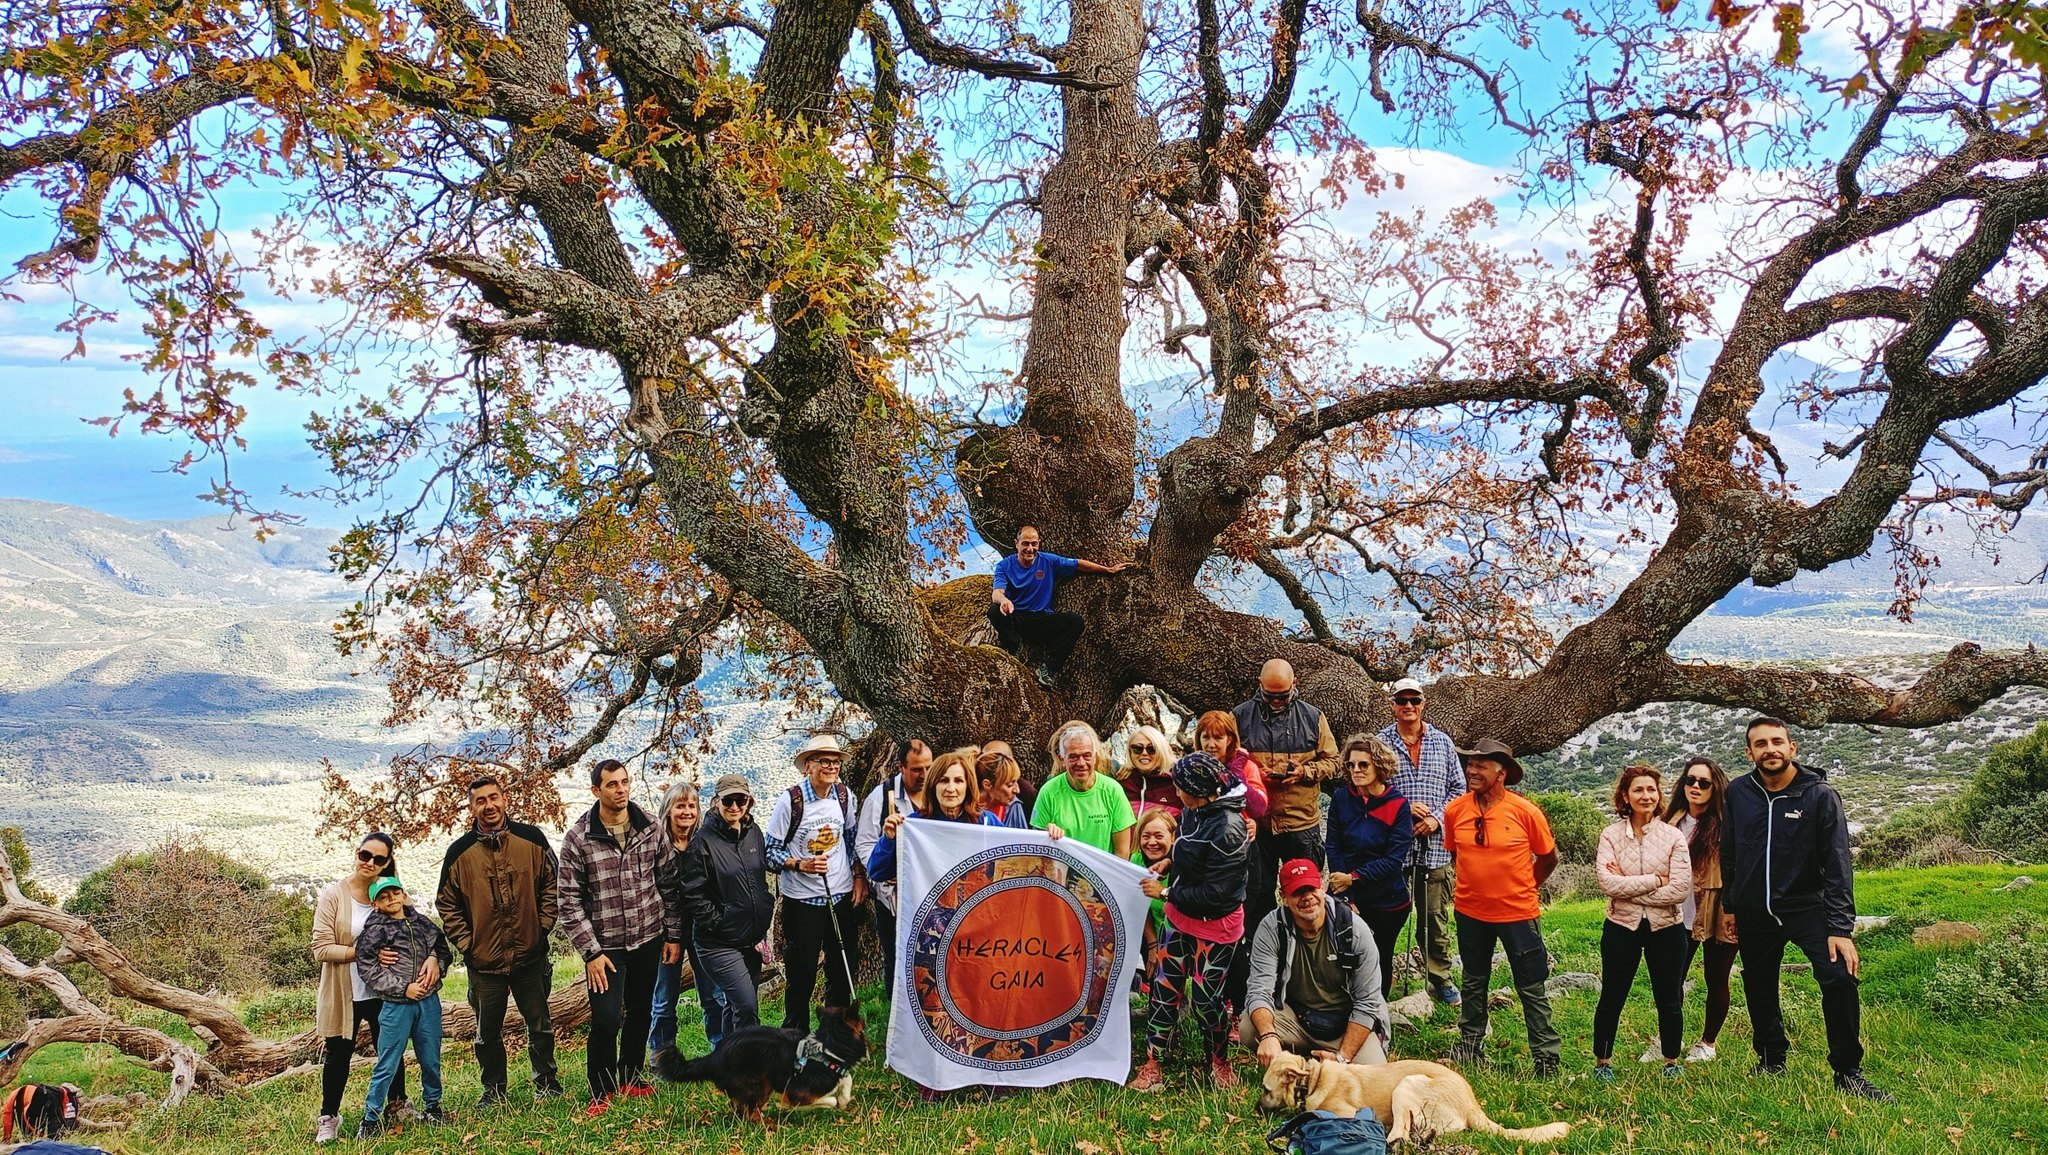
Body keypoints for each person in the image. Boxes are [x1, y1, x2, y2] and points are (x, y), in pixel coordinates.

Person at [1724, 717, 1891, 1100]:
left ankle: (1848, 1070)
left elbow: (1837, 863)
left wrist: (1840, 928)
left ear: (1792, 747)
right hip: (1754, 909)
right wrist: (1731, 905)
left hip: (1806, 906)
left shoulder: (1819, 795)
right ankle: (1770, 1059)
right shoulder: (1739, 793)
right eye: (1761, 744)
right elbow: (1730, 850)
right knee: (1759, 983)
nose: (1770, 749)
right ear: (1750, 753)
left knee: (1838, 977)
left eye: (1777, 742)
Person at [435, 776, 560, 1108]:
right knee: (487, 1033)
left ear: (504, 800)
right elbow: (446, 903)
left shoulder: (531, 840)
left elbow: (553, 885)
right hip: (485, 962)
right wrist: (469, 944)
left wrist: (541, 927)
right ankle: (493, 1091)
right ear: (471, 807)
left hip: (530, 955)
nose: (489, 806)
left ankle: (547, 1083)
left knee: (540, 1025)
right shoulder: (459, 853)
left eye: (494, 798)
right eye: (481, 800)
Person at [1129, 753, 1251, 1092]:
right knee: (1163, 992)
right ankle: (1154, 1063)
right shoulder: (1191, 814)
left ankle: (1220, 1061)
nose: (1175, 792)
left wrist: (1165, 892)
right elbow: (1187, 849)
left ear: (1196, 789)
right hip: (1178, 922)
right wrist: (1168, 861)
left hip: (1215, 929)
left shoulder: (1229, 830)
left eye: (1179, 787)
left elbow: (1217, 894)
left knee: (1206, 1001)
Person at [1441, 739, 1560, 1075]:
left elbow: (1549, 857)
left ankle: (1546, 1057)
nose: (1472, 771)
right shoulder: (1456, 811)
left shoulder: (1525, 812)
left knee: (1531, 985)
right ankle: (1469, 1046)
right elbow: (1456, 854)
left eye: (1481, 766)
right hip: (1469, 911)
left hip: (1518, 914)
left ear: (1501, 773)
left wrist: (1525, 886)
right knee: (1473, 981)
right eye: (1470, 764)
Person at [557, 757, 667, 1115]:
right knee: (606, 1019)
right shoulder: (579, 838)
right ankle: (600, 1090)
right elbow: (568, 901)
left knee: (640, 1011)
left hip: (649, 937)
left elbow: (669, 884)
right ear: (596, 790)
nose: (621, 790)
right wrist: (590, 952)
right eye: (612, 784)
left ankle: (632, 1077)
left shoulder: (650, 826)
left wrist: (673, 936)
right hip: (606, 949)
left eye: (624, 782)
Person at [1229, 660, 1337, 1015]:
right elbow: (1228, 761)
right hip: (1256, 826)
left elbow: (1334, 762)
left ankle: (1307, 978)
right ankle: (1258, 982)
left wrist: (1305, 771)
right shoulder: (1240, 716)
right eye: (1270, 695)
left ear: (1295, 685)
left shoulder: (1313, 717)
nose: (1276, 702)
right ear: (1259, 685)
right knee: (1255, 899)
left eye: (1283, 696)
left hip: (1300, 824)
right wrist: (1256, 774)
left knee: (1305, 899)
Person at [311, 833, 423, 1143]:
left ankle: (398, 1105)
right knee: (338, 1055)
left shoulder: (391, 892)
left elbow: (414, 933)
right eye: (365, 855)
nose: (370, 863)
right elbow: (321, 948)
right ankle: (329, 1117)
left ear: (387, 863)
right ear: (356, 854)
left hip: (384, 990)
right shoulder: (334, 895)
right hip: (345, 992)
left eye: (378, 859)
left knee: (391, 1049)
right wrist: (365, 952)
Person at [1590, 764, 1692, 1081]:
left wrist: (1630, 888)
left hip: (1667, 928)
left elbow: (1679, 889)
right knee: (1612, 996)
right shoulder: (1610, 835)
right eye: (1638, 789)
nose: (1646, 795)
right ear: (1625, 795)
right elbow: (1607, 883)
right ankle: (1603, 1064)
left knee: (1670, 998)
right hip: (1622, 927)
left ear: (1659, 794)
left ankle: (1671, 1062)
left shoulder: (1672, 836)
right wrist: (1653, 880)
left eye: (1651, 789)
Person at [1241, 859, 1391, 1069]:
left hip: (1346, 1023)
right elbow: (1259, 990)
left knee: (1374, 1069)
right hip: (1298, 1018)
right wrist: (1268, 1035)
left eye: (1312, 888)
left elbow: (1367, 1003)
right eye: (1297, 892)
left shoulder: (1355, 930)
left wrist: (1342, 1059)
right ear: (1283, 897)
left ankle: (1327, 1058)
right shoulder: (1271, 928)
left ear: (1322, 888)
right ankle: (1302, 1058)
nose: (1307, 898)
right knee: (1249, 1029)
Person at [765, 734, 869, 1034]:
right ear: (807, 766)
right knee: (802, 974)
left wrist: (858, 877)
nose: (831, 766)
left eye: (835, 761)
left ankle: (835, 1034)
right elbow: (770, 854)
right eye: (824, 760)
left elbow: (852, 841)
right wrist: (800, 864)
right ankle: (794, 1035)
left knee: (841, 969)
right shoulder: (791, 802)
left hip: (839, 897)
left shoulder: (844, 796)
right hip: (802, 901)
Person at [1378, 677, 1464, 1005]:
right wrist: (1402, 807)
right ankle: (1378, 979)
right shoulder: (1380, 744)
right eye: (1402, 701)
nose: (1409, 707)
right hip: (1392, 849)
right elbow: (1371, 789)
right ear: (1393, 705)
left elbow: (1458, 789)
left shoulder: (1442, 742)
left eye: (1415, 700)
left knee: (1434, 917)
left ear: (1423, 703)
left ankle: (1439, 977)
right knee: (1385, 918)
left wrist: (1435, 819)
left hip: (1436, 847)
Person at [1646, 755, 1737, 1064]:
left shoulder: (1726, 825)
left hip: (1717, 910)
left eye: (1704, 783)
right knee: (1670, 981)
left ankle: (1708, 1043)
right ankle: (1666, 1039)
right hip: (1675, 914)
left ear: (1716, 788)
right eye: (1690, 780)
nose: (1695, 787)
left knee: (1716, 978)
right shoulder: (1668, 822)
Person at [673, 773, 773, 1046]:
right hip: (718, 942)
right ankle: (751, 1069)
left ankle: (728, 1064)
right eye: (728, 800)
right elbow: (693, 893)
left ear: (749, 801)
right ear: (716, 802)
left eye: (741, 800)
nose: (735, 807)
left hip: (751, 939)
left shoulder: (754, 833)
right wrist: (720, 921)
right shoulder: (703, 842)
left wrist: (765, 907)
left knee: (735, 1006)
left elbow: (758, 878)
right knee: (747, 1005)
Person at [351, 877, 453, 1137]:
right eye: (384, 896)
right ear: (375, 903)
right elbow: (368, 968)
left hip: (428, 1001)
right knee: (387, 1062)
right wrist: (402, 988)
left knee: (430, 1058)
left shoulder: (422, 923)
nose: (392, 899)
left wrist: (435, 961)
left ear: (404, 894)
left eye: (395, 893)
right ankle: (370, 1118)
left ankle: (434, 1107)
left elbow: (443, 949)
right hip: (396, 1006)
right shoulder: (375, 930)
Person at [1325, 735, 1413, 1004]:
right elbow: (1334, 844)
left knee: (1379, 955)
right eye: (1351, 766)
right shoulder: (1341, 798)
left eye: (1363, 765)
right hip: (1346, 895)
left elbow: (1393, 860)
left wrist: (1353, 879)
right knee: (1342, 956)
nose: (1356, 771)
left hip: (1387, 899)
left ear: (1379, 766)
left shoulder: (1398, 805)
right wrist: (1344, 892)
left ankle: (1376, 1012)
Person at [986, 525, 1130, 687]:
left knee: (1074, 621)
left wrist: (1108, 570)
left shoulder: (1048, 561)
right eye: (1025, 543)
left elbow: (1078, 564)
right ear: (1016, 543)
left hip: (1041, 619)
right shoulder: (1004, 566)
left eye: (1034, 544)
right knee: (994, 611)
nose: (1030, 548)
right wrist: (1004, 601)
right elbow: (996, 593)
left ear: (1039, 544)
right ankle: (1014, 647)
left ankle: (1048, 668)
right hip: (1017, 617)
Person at [855, 739, 933, 1001]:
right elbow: (864, 843)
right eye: (916, 769)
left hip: (929, 894)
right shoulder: (882, 797)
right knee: (896, 958)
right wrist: (880, 872)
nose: (923, 775)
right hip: (892, 898)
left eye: (927, 768)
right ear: (901, 767)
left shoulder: (938, 794)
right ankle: (896, 1019)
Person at [868, 749, 1008, 883]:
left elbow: (1011, 865)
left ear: (968, 785)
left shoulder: (987, 823)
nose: (951, 788)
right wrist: (889, 839)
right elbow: (877, 872)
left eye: (958, 781)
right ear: (933, 785)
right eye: (943, 780)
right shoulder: (915, 825)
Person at [649, 778, 710, 1053]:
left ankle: (720, 1053)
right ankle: (662, 1057)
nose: (687, 811)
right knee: (663, 999)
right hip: (666, 934)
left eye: (692, 806)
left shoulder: (703, 842)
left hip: (702, 930)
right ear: (668, 810)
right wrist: (667, 934)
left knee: (713, 996)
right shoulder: (656, 846)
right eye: (680, 806)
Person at [1033, 722, 1138, 857]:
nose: (1081, 763)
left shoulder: (1113, 791)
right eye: (1073, 757)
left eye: (1087, 755)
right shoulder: (1048, 791)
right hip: (1061, 873)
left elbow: (1122, 853)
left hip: (1101, 874)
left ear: (1095, 757)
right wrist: (1047, 834)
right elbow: (1037, 846)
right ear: (1062, 759)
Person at [1195, 709, 1270, 833]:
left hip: (1235, 837)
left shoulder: (1247, 767)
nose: (1211, 744)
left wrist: (1237, 774)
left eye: (1218, 738)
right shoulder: (1192, 768)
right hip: (1201, 836)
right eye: (1206, 737)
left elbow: (1258, 809)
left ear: (1229, 739)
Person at [1132, 808, 1177, 974]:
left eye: (1159, 836)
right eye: (1146, 836)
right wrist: (1153, 943)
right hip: (1152, 932)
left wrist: (1163, 892)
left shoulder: (1183, 862)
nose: (1151, 842)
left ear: (1173, 838)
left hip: (1181, 937)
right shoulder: (1136, 861)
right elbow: (1138, 907)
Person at [1113, 725, 1180, 817]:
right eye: (1138, 749)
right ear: (1130, 752)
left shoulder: (1177, 782)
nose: (1144, 753)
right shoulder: (1123, 780)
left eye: (1151, 749)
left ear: (1162, 751)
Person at [975, 746, 1030, 829]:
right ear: (987, 785)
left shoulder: (1014, 806)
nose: (1017, 790)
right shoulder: (962, 810)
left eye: (1016, 782)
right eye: (1009, 785)